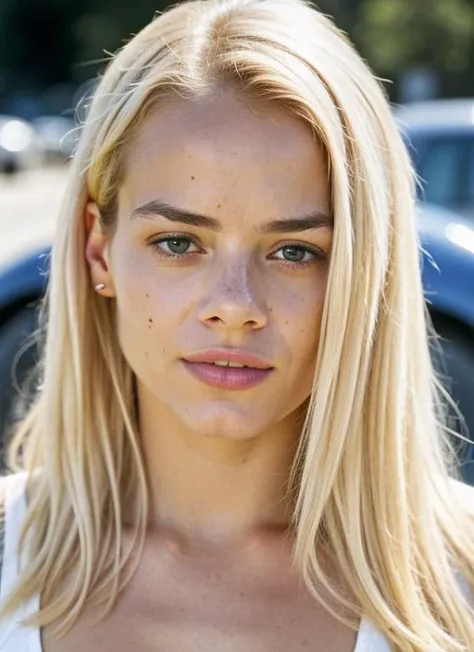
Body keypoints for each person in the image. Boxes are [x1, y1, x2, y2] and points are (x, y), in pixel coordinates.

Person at [0, 0, 473, 649]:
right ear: (97, 250)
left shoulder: (461, 579)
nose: (234, 304)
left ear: (365, 274)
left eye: (295, 252)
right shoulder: (8, 552)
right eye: (177, 242)